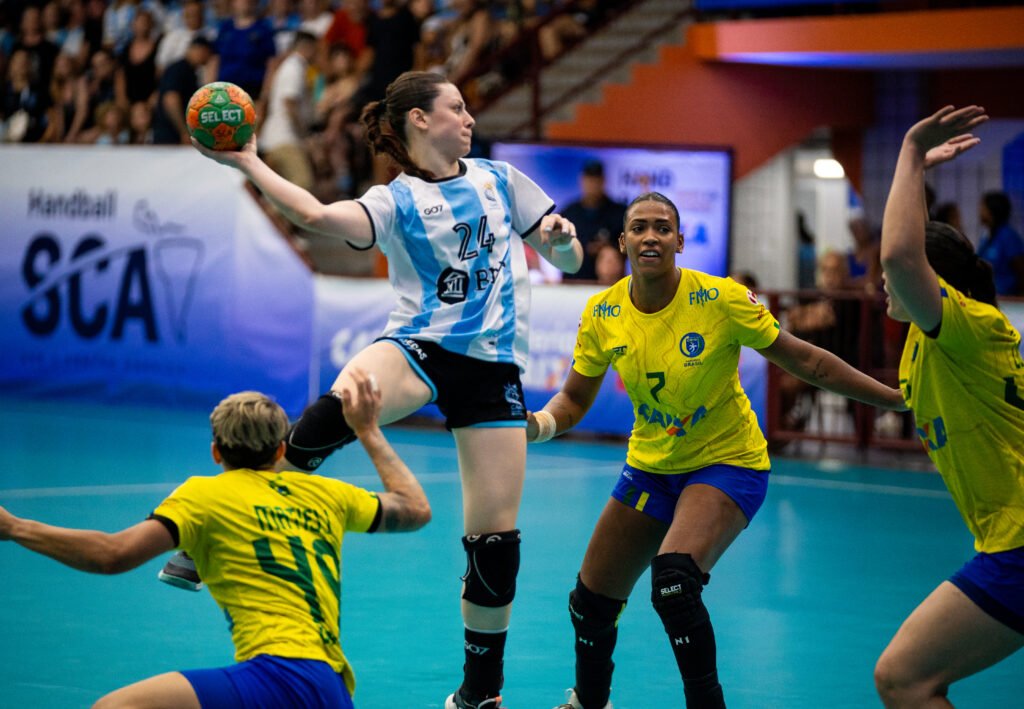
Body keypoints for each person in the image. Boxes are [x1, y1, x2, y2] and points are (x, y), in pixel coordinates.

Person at [175, 70, 583, 709]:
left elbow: (570, 260)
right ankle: (210, 528)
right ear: (420, 119)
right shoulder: (395, 201)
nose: (469, 118)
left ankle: (479, 694)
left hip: (493, 367)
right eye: (456, 107)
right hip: (419, 346)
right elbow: (313, 214)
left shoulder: (501, 180)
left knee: (495, 547)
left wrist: (563, 242)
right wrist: (247, 160)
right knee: (337, 409)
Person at [527, 191, 906, 709]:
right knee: (590, 602)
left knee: (674, 584)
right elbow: (573, 400)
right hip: (652, 467)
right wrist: (538, 425)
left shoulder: (720, 299)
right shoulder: (603, 312)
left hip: (727, 462)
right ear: (622, 241)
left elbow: (808, 361)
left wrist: (895, 398)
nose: (651, 237)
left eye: (663, 228)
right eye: (639, 228)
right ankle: (589, 702)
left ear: (680, 241)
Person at [0, 374, 431, 708]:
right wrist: (367, 430)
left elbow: (113, 555)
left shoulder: (203, 496)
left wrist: (15, 527)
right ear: (281, 451)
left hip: (277, 678)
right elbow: (415, 508)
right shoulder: (327, 495)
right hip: (332, 688)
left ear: (216, 452)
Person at [871, 105, 1024, 708]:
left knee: (902, 677)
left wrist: (910, 151)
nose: (884, 281)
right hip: (1006, 540)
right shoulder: (928, 342)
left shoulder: (962, 326)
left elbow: (901, 256)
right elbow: (910, 249)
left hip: (1019, 544)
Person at [561, 160, 627, 283]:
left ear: (603, 181)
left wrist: (609, 247)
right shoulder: (569, 213)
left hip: (610, 284)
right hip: (574, 282)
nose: (592, 185)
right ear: (582, 181)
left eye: (596, 180)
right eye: (589, 180)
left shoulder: (619, 214)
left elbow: (630, 248)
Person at [977, 190, 1024, 296]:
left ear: (992, 210)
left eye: (983, 207)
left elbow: (1021, 270)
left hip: (1009, 298)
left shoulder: (1008, 237)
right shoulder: (986, 237)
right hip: (990, 296)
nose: (980, 211)